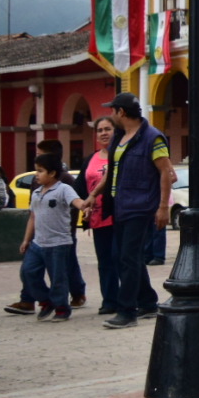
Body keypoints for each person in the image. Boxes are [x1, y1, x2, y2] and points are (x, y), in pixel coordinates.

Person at [98, 92, 173, 329]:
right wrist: (93, 196)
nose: (111, 115)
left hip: (140, 206)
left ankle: (127, 311)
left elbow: (166, 172)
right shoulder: (120, 137)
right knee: (127, 257)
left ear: (121, 112)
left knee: (127, 258)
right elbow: (111, 172)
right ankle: (148, 302)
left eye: (112, 110)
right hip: (121, 205)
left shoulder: (153, 138)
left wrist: (163, 207)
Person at [10, 154, 91, 322]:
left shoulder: (63, 189)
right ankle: (46, 301)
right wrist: (26, 240)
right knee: (28, 272)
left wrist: (84, 207)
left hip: (59, 243)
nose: (36, 175)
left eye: (40, 171)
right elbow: (33, 217)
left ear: (53, 173)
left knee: (58, 278)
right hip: (38, 242)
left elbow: (76, 201)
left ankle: (61, 308)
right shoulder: (37, 193)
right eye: (36, 171)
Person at [35, 138, 87, 308]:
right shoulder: (38, 179)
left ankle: (76, 294)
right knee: (32, 267)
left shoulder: (64, 180)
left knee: (66, 266)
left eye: (40, 154)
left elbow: (75, 203)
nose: (37, 157)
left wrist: (69, 228)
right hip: (41, 233)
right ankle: (30, 298)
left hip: (62, 233)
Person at [82, 118, 122, 314]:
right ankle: (109, 301)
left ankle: (130, 298)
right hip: (98, 218)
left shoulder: (122, 155)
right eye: (100, 130)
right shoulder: (91, 159)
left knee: (120, 258)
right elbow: (81, 187)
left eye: (108, 129)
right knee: (105, 262)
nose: (104, 133)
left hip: (119, 216)